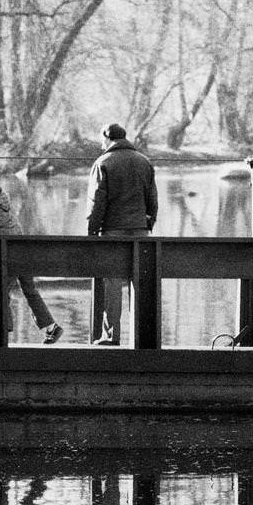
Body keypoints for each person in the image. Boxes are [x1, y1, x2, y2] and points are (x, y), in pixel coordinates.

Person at [86, 123, 158, 345]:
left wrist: (92, 232)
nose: (100, 144)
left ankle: (111, 336)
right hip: (140, 230)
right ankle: (142, 338)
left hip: (112, 231)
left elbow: (96, 201)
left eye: (101, 140)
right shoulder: (144, 162)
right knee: (141, 282)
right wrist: (149, 222)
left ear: (108, 138)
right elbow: (153, 199)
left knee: (112, 285)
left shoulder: (103, 163)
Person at [0, 179, 64, 344]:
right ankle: (51, 327)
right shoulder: (5, 207)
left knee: (2, 291)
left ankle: (4, 332)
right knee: (29, 291)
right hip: (23, 253)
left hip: (11, 257)